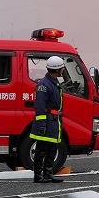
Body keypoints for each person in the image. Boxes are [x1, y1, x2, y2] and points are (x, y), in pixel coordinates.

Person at [30, 56, 67, 184]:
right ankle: (38, 176)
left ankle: (48, 174)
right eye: (62, 68)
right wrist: (42, 124)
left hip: (53, 121)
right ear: (57, 69)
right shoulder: (44, 85)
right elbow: (40, 107)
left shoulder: (53, 83)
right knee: (41, 151)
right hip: (47, 122)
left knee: (52, 149)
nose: (63, 70)